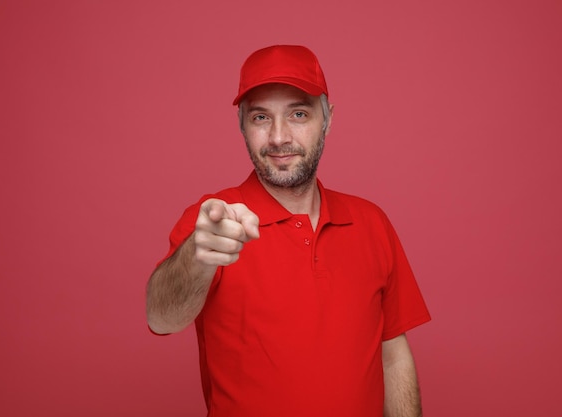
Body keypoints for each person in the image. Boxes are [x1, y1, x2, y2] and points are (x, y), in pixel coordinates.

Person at [146, 45, 431, 417]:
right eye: (261, 118)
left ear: (328, 119)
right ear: (242, 126)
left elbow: (393, 356)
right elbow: (161, 318)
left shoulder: (371, 222)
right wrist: (196, 258)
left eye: (298, 114)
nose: (279, 137)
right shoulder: (214, 222)